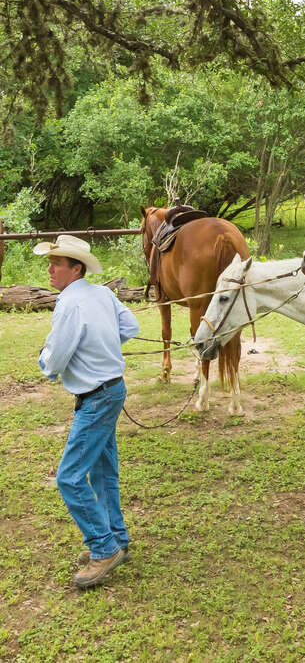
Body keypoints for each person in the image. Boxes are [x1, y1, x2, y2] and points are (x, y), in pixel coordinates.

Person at [34, 234, 139, 589]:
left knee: (70, 476)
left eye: (56, 263)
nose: (49, 269)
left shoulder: (69, 304)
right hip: (112, 389)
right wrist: (102, 347)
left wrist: (45, 363)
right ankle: (116, 540)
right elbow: (130, 327)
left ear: (75, 268)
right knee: (102, 468)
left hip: (96, 398)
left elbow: (57, 356)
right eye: (50, 263)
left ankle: (103, 547)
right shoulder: (103, 294)